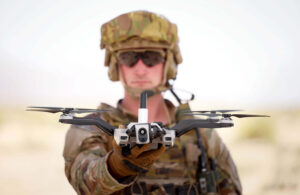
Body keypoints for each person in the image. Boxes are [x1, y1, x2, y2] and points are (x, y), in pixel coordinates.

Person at [63, 11, 242, 195]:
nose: (140, 69)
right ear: (116, 65)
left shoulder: (201, 133)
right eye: (128, 58)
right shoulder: (91, 126)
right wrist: (118, 166)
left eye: (151, 58)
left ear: (169, 64)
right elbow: (83, 179)